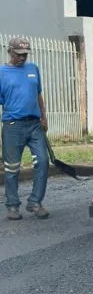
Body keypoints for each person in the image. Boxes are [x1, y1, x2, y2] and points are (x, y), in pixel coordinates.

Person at [1, 37, 49, 220]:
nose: (22, 58)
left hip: (35, 124)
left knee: (43, 162)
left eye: (25, 54)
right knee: (12, 168)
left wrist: (44, 116)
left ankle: (35, 202)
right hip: (13, 125)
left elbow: (38, 94)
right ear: (10, 52)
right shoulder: (2, 72)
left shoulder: (33, 69)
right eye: (19, 54)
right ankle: (12, 206)